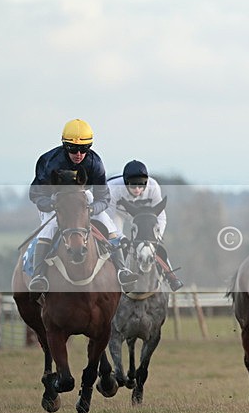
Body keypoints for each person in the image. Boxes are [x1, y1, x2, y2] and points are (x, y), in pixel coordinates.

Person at [28, 119, 138, 293]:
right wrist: (51, 204)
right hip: (55, 200)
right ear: (65, 146)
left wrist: (92, 209)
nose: (79, 154)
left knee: (110, 225)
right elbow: (35, 194)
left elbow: (103, 197)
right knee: (48, 229)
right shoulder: (49, 162)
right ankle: (38, 276)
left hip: (83, 198)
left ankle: (122, 270)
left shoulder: (95, 163)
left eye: (84, 148)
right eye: (73, 149)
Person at [106, 160, 184, 291]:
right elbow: (109, 220)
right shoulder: (112, 189)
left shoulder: (153, 187)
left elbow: (161, 217)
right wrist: (122, 238)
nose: (137, 189)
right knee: (117, 244)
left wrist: (156, 236)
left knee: (152, 245)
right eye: (133, 186)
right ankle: (119, 274)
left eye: (141, 185)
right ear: (125, 183)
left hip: (142, 215)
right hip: (116, 214)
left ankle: (170, 275)